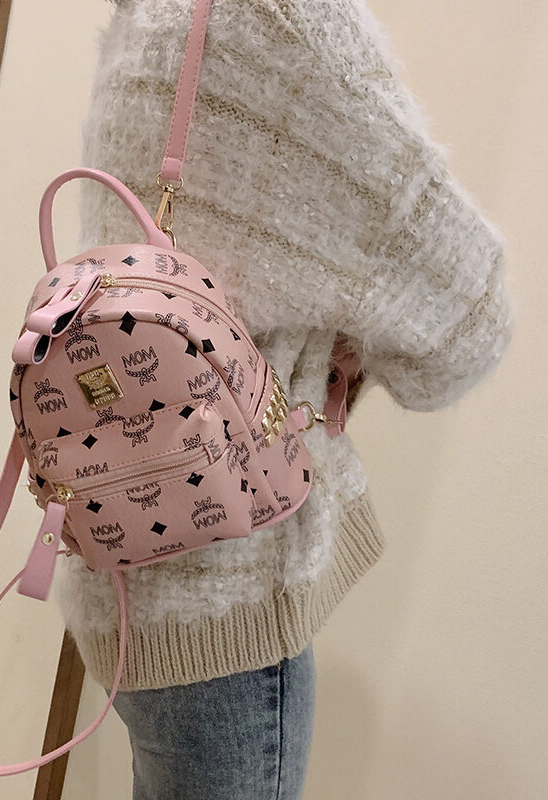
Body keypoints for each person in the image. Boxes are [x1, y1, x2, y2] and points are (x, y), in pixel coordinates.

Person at [55, 1, 515, 797]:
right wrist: (350, 346)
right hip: (226, 599)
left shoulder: (148, 17)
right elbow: (471, 324)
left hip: (122, 570)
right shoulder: (284, 21)